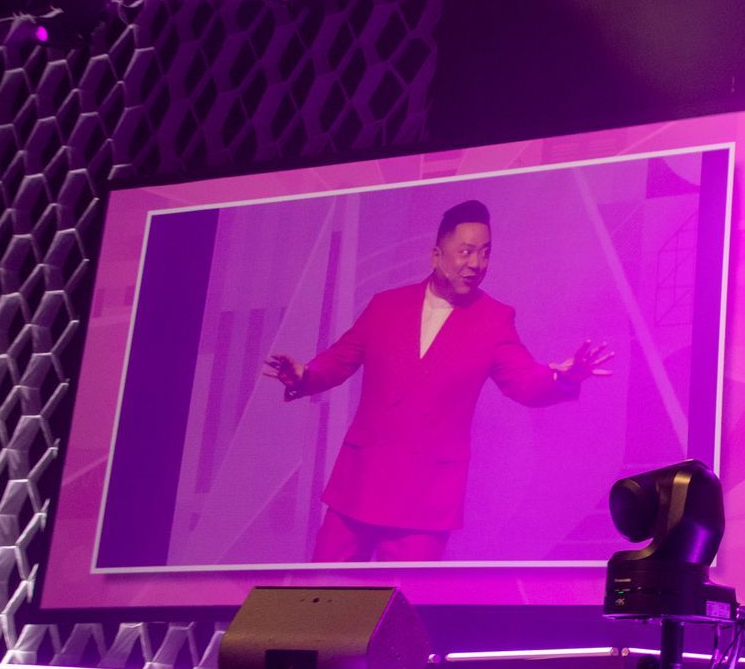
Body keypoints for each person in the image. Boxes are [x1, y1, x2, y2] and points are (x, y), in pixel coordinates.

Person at [262, 199, 614, 562]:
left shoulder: (493, 319)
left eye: (485, 253)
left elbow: (524, 381)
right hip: (361, 481)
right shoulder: (386, 306)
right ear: (436, 255)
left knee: (402, 603)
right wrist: (304, 376)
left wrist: (563, 378)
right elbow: (339, 359)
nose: (476, 264)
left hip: (426, 497)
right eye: (465, 252)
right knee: (323, 597)